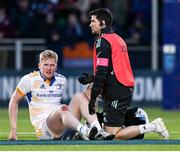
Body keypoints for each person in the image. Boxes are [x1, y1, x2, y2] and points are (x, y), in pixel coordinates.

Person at [87, 8, 169, 139]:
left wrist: (93, 97)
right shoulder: (118, 39)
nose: (90, 24)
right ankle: (135, 115)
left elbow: (102, 70)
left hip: (116, 89)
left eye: (93, 21)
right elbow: (113, 66)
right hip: (123, 86)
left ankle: (153, 126)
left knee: (113, 134)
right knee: (107, 125)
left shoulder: (102, 41)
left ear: (102, 23)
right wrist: (93, 78)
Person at [8, 50, 100, 140]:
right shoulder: (29, 79)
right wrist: (13, 130)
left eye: (52, 65)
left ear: (56, 67)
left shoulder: (61, 80)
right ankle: (85, 131)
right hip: (44, 130)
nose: (49, 68)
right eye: (46, 65)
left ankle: (98, 129)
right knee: (62, 109)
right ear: (39, 65)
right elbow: (14, 101)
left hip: (60, 125)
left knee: (80, 96)